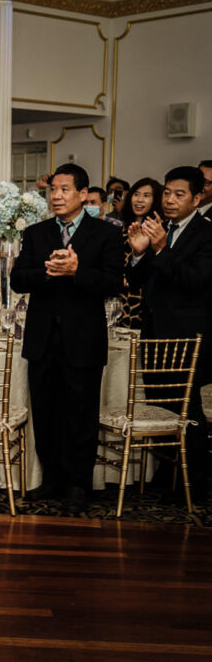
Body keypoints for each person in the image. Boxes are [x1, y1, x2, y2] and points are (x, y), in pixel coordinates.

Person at [10, 163, 122, 515]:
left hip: (83, 338)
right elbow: (18, 279)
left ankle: (78, 484)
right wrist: (48, 270)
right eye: (52, 190)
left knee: (80, 412)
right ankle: (53, 478)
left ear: (83, 194)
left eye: (64, 190)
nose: (56, 196)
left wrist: (76, 272)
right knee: (45, 410)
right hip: (43, 337)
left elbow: (112, 282)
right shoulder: (36, 232)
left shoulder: (104, 234)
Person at [126, 165, 212, 505]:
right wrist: (138, 252)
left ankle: (194, 483)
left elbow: (196, 282)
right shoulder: (163, 229)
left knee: (186, 409)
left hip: (189, 335)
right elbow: (138, 281)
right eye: (167, 193)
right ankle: (166, 474)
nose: (170, 200)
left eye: (179, 194)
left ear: (198, 196)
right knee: (160, 404)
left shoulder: (206, 234)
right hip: (155, 332)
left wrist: (161, 249)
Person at [117, 177, 163, 330]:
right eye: (136, 194)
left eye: (146, 195)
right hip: (118, 296)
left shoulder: (159, 232)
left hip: (144, 298)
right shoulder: (121, 230)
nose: (139, 200)